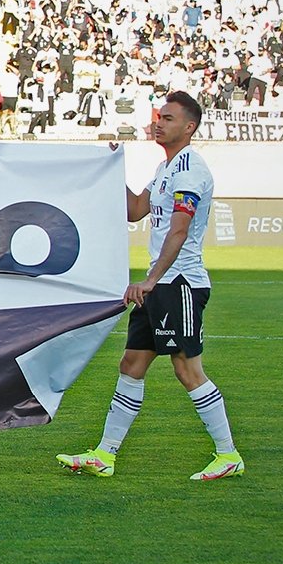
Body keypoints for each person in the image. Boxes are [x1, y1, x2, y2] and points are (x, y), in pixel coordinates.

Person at [58, 92, 243, 481]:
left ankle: (228, 454)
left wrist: (151, 280)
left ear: (189, 127)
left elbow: (179, 230)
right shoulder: (165, 169)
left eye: (169, 118)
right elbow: (134, 210)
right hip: (160, 285)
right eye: (159, 116)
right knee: (131, 365)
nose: (159, 123)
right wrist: (109, 168)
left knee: (187, 369)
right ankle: (104, 455)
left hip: (180, 283)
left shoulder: (191, 170)